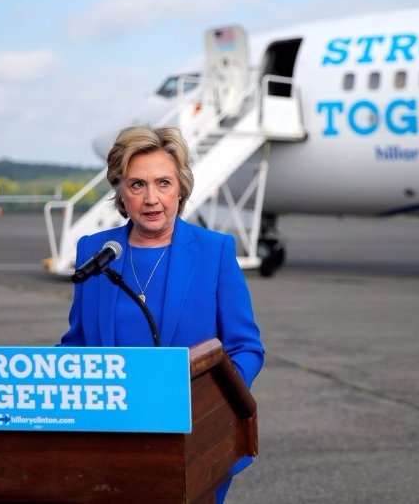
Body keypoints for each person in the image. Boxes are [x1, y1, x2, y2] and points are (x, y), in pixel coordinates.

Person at [58, 125, 265, 503]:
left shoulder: (214, 250)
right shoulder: (95, 251)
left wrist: (213, 404)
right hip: (113, 440)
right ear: (120, 191)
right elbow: (77, 344)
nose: (152, 198)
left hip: (193, 437)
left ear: (181, 187)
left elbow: (246, 347)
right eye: (137, 185)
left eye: (163, 183)